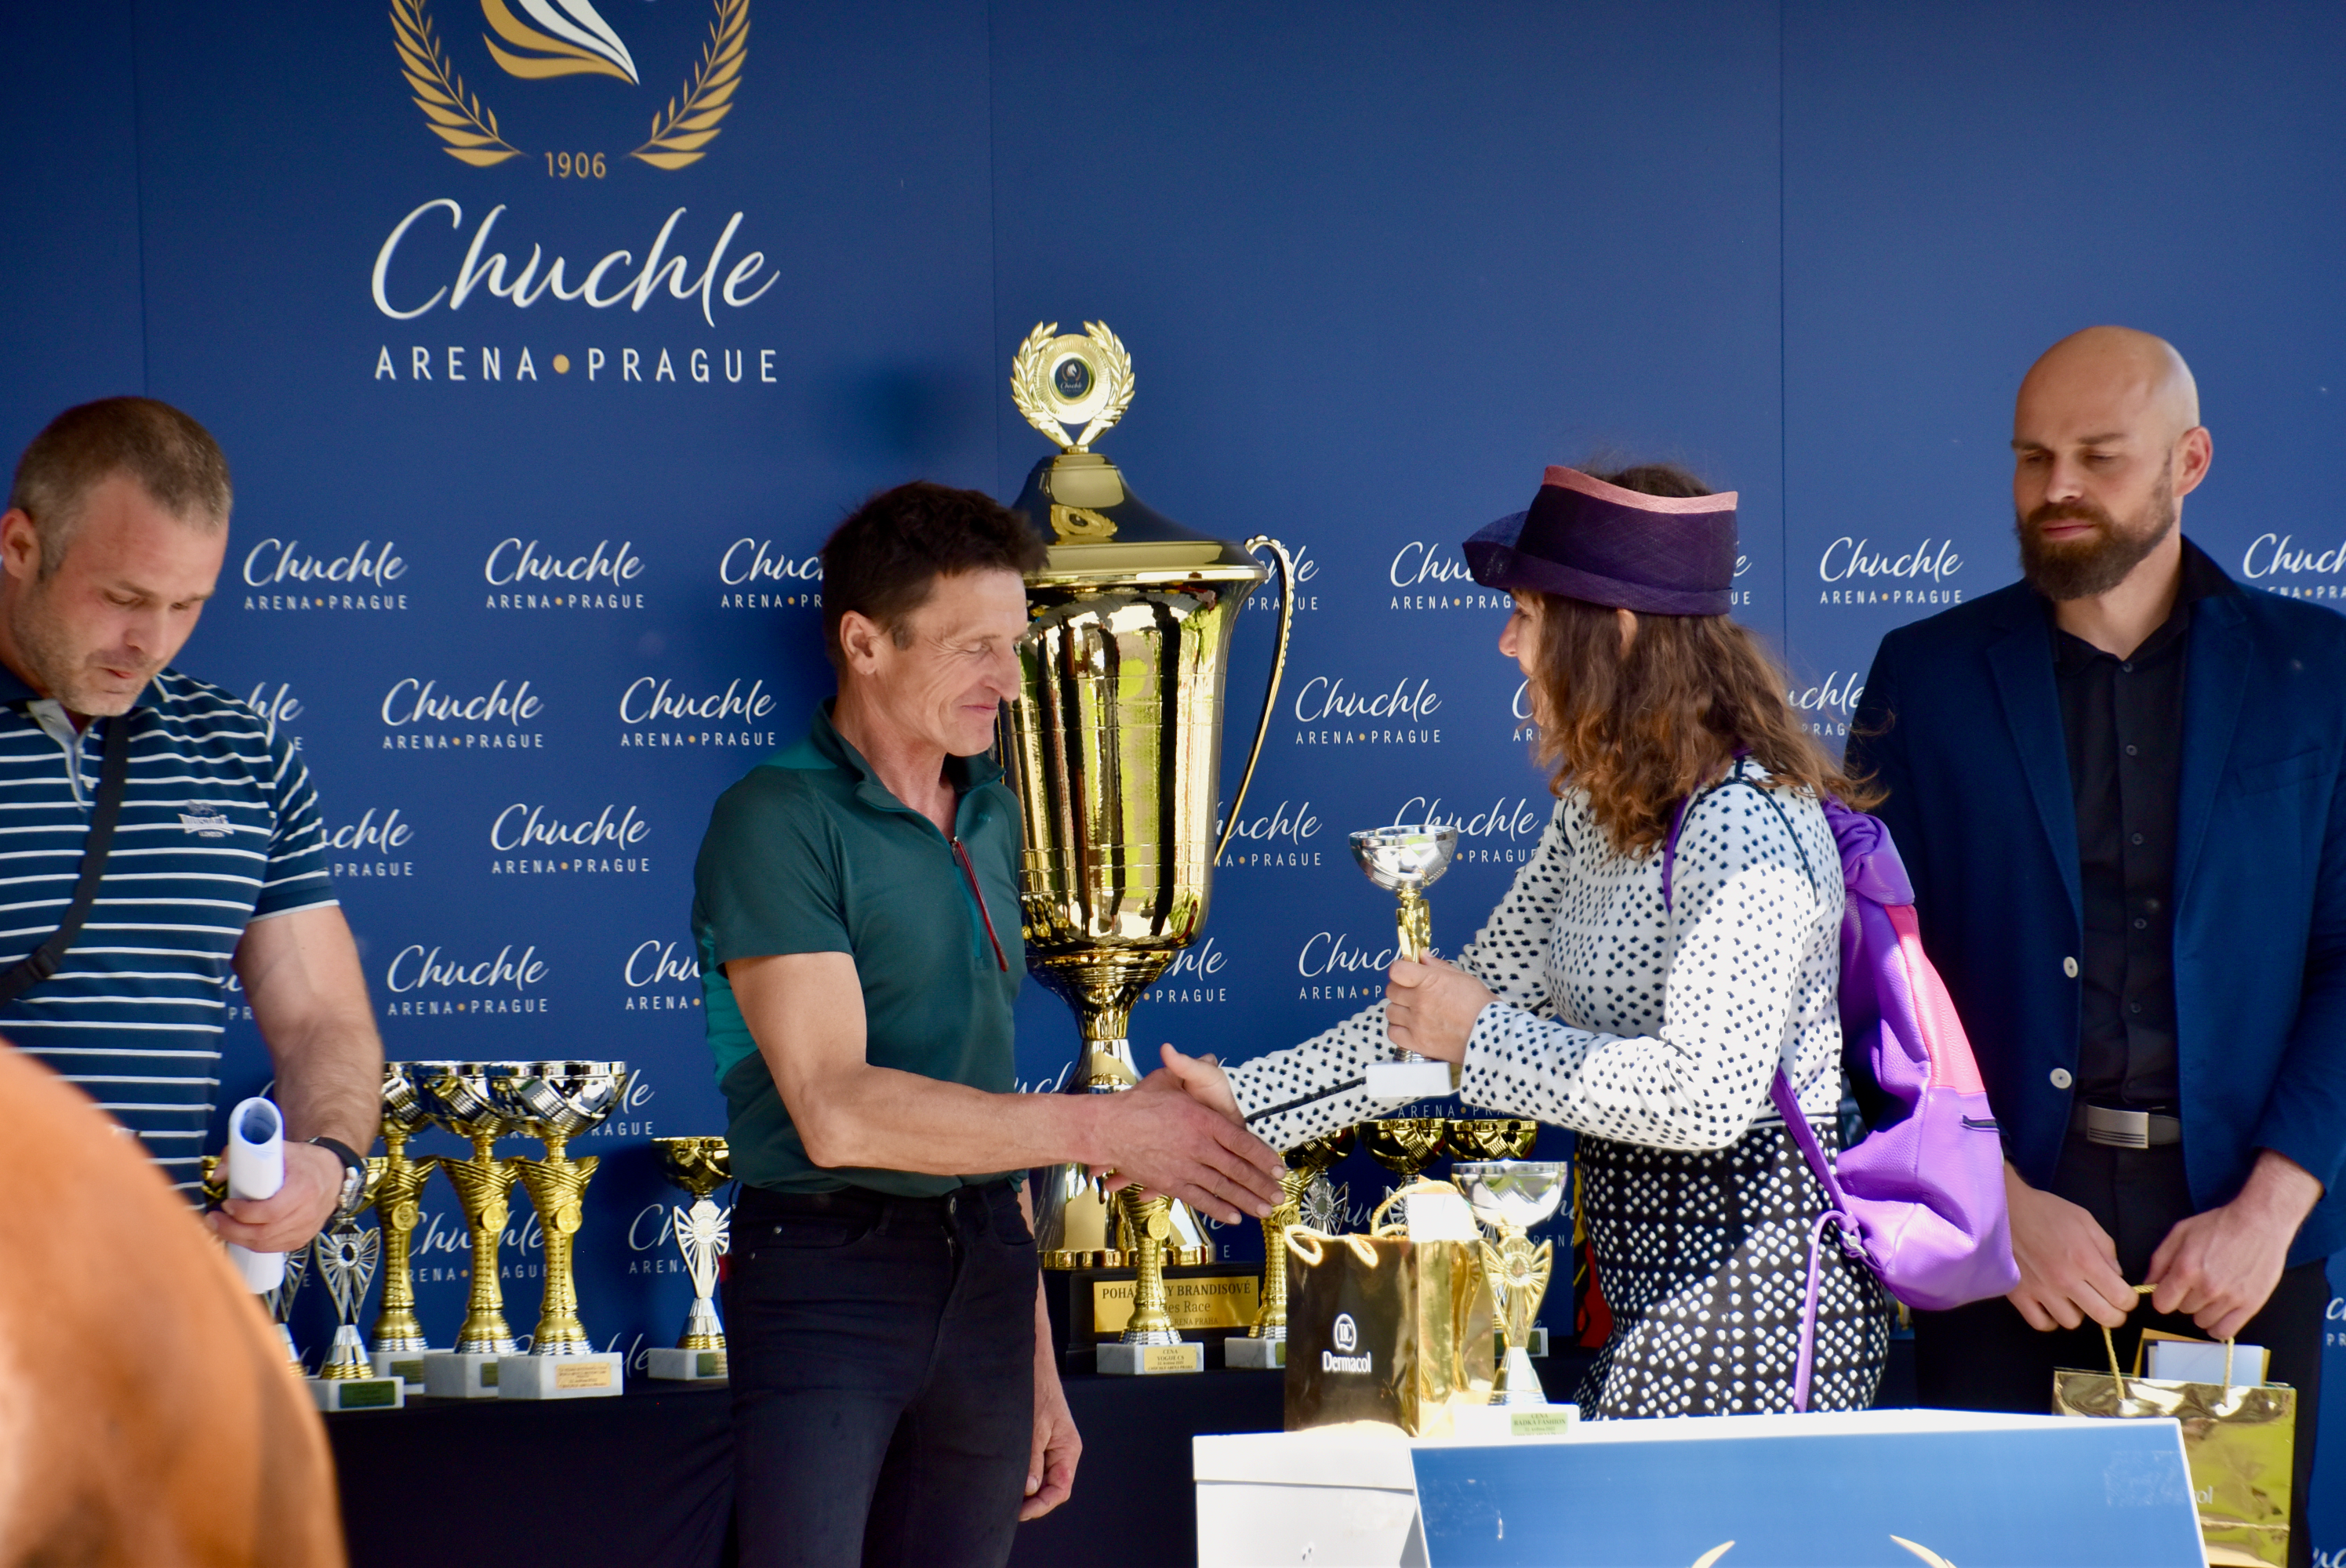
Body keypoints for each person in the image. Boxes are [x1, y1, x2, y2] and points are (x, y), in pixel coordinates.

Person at [1172, 463, 1894, 1417]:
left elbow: (1705, 1096)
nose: (1508, 641)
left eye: (1527, 611)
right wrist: (1243, 1097)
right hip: (1642, 1304)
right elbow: (1445, 1015)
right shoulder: (1596, 812)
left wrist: (1479, 1034)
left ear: (1619, 630)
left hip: (1759, 1308)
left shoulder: (1744, 820)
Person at [692, 479, 1285, 1568]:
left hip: (987, 1283)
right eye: (972, 649)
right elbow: (837, 1111)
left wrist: (1035, 1367)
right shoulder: (775, 818)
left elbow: (986, 1089)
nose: (1009, 682)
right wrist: (1105, 1132)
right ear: (864, 642)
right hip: (830, 1276)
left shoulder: (1000, 813)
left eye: (1014, 646)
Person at [1847, 326, 2336, 1563]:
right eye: (2032, 458)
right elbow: (1880, 977)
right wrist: (1994, 1203)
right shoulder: (1930, 675)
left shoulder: (2317, 674)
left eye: (2099, 458)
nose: (2057, 487)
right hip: (2006, 1245)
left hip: (2233, 1249)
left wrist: (2271, 1211)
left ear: (2190, 462)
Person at [0, 397, 383, 1254]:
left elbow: (322, 1016)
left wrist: (325, 1160)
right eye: (124, 597)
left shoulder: (243, 751)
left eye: (188, 604)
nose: (152, 641)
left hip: (155, 1307)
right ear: (20, 545)